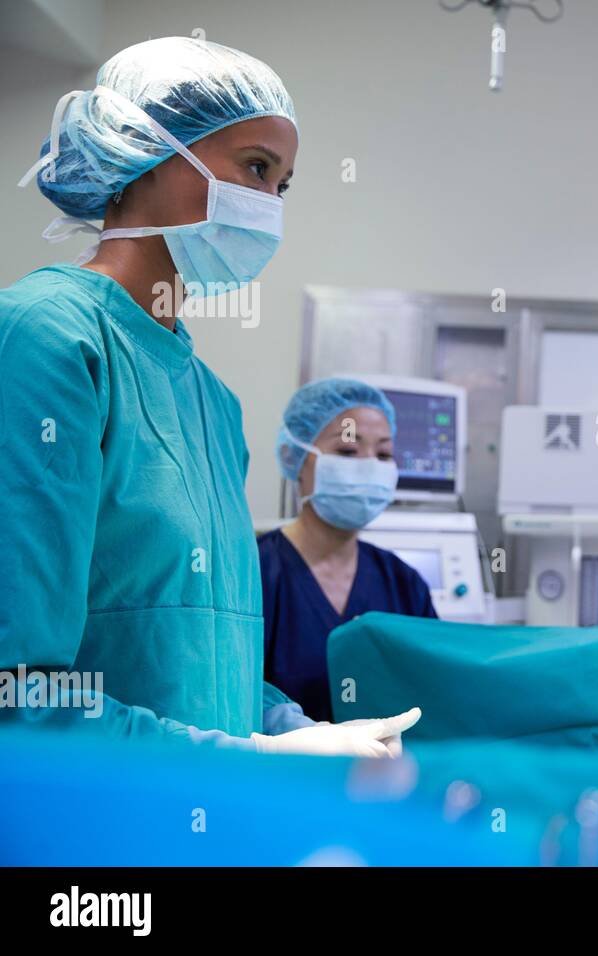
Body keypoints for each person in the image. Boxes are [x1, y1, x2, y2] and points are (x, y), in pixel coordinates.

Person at [0, 36, 416, 757]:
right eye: (255, 168)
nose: (269, 206)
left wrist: (298, 732)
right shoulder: (50, 338)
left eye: (282, 185)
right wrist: (248, 760)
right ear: (146, 153)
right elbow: (20, 692)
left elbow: (204, 655)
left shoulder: (212, 404)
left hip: (205, 816)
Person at [261, 378, 438, 722]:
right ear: (294, 457)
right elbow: (227, 693)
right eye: (347, 451)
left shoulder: (403, 584)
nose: (370, 466)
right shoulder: (254, 574)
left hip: (384, 770)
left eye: (384, 453)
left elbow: (433, 689)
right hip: (279, 772)